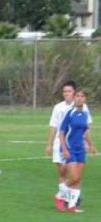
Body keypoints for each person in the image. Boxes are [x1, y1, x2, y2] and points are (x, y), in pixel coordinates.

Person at [59, 88, 96, 213]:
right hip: (70, 148)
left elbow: (85, 132)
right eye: (78, 96)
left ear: (85, 99)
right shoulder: (69, 112)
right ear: (74, 98)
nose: (80, 98)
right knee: (73, 177)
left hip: (81, 149)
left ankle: (72, 206)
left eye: (82, 96)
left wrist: (91, 146)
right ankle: (60, 195)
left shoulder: (85, 114)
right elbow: (62, 132)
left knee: (78, 179)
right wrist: (64, 149)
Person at [47, 81, 78, 210]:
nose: (66, 94)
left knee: (74, 175)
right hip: (59, 144)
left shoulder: (81, 107)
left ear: (74, 92)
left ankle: (62, 196)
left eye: (69, 91)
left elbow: (85, 127)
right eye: (64, 91)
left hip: (74, 145)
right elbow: (53, 126)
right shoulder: (58, 107)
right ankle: (64, 200)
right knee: (62, 173)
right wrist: (49, 144)